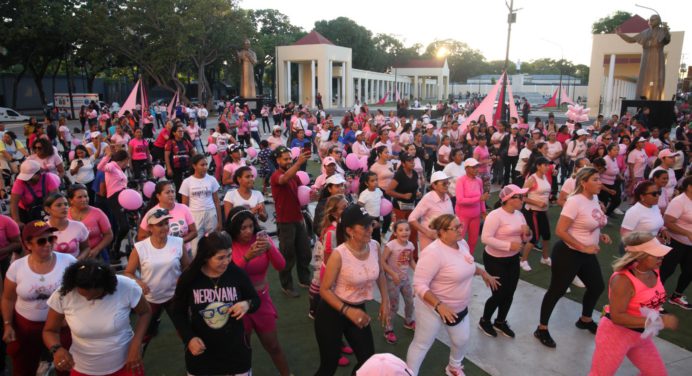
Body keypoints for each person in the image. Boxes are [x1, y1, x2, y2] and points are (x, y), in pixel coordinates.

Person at [406, 214, 499, 376]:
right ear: (441, 231)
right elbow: (419, 284)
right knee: (422, 343)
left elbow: (465, 265)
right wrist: (439, 306)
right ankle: (409, 373)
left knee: (461, 340)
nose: (460, 230)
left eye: (460, 226)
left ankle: (454, 367)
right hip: (432, 308)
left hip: (458, 308)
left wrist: (482, 272)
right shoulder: (433, 253)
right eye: (455, 228)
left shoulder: (462, 244)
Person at [536, 167, 611, 348]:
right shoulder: (574, 201)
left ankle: (585, 319)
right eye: (595, 179)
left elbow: (588, 222)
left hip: (586, 252)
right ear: (584, 183)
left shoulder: (594, 198)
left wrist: (599, 234)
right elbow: (560, 230)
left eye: (599, 179)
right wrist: (583, 247)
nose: (600, 182)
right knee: (557, 290)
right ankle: (542, 328)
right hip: (568, 253)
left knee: (597, 286)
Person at [170, 231, 260, 376]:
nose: (227, 261)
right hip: (202, 353)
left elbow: (256, 300)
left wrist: (247, 304)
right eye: (221, 258)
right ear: (206, 257)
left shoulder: (237, 274)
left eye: (229, 255)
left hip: (235, 352)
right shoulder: (190, 278)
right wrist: (189, 338)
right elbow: (178, 312)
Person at [314, 204, 389, 375]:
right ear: (349, 230)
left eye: (370, 224)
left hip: (357, 309)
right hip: (332, 313)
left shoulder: (375, 246)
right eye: (364, 226)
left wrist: (386, 300)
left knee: (368, 362)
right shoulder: (339, 254)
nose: (370, 229)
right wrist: (348, 311)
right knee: (329, 366)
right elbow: (324, 290)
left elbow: (380, 274)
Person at [588, 232, 678, 375]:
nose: (661, 258)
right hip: (615, 336)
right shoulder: (623, 281)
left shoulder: (654, 270)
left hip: (641, 335)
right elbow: (617, 317)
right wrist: (658, 321)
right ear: (640, 256)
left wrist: (655, 318)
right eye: (656, 255)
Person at [43, 259, 151, 375]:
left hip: (126, 364)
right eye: (83, 295)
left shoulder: (126, 286)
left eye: (97, 296)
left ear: (108, 287)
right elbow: (50, 331)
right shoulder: (63, 293)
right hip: (83, 368)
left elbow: (145, 312)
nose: (89, 299)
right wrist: (57, 349)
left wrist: (136, 342)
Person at [2, 220, 75, 376]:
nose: (48, 244)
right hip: (26, 327)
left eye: (51, 239)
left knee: (66, 365)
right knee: (23, 367)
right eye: (41, 241)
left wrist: (70, 318)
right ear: (28, 245)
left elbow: (80, 294)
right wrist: (8, 324)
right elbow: (8, 299)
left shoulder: (68, 262)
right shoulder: (17, 267)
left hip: (60, 326)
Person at [226, 207, 291, 376]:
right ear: (234, 229)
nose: (248, 231)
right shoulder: (228, 245)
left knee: (273, 345)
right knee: (243, 346)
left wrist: (270, 247)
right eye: (243, 228)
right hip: (238, 303)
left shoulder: (262, 239)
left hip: (261, 300)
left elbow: (281, 266)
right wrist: (247, 257)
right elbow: (229, 277)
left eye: (250, 226)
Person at [124, 208, 190, 352]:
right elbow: (128, 272)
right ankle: (138, 363)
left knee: (185, 331)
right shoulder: (140, 248)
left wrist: (182, 280)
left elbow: (187, 268)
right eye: (160, 224)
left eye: (166, 223)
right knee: (144, 335)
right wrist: (139, 282)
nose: (165, 227)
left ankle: (194, 363)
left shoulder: (178, 242)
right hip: (150, 299)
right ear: (150, 228)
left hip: (174, 296)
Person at [479, 185, 533, 338]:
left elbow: (526, 238)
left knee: (510, 292)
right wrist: (509, 245)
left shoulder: (519, 215)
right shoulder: (495, 216)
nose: (523, 200)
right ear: (509, 199)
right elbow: (485, 239)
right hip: (494, 259)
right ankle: (485, 320)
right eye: (520, 197)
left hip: (512, 259)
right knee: (499, 294)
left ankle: (500, 321)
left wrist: (527, 234)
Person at [270, 146, 312, 297]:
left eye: (289, 158)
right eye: (285, 159)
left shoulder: (294, 175)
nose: (288, 161)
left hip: (298, 218)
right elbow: (284, 179)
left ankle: (304, 279)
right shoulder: (276, 175)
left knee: (305, 252)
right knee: (287, 255)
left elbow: (303, 192)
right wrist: (298, 163)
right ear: (278, 160)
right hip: (285, 221)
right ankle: (286, 285)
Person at [139, 180, 197, 255]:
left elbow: (194, 232)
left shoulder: (184, 208)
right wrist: (157, 245)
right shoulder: (152, 213)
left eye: (173, 192)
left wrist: (179, 242)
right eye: (167, 192)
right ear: (158, 196)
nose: (171, 194)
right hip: (162, 254)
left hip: (184, 251)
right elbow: (141, 237)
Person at [382, 221, 416, 344]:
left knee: (410, 302)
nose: (404, 232)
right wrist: (392, 274)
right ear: (395, 233)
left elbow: (410, 260)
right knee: (394, 306)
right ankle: (388, 329)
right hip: (393, 282)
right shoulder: (391, 245)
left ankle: (408, 321)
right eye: (401, 230)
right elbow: (382, 262)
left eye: (407, 229)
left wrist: (418, 271)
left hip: (405, 280)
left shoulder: (411, 245)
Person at [179, 155, 222, 254]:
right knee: (196, 245)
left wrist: (219, 221)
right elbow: (184, 205)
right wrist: (186, 223)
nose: (205, 167)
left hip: (211, 213)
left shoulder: (212, 179)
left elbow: (216, 201)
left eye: (206, 164)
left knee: (214, 243)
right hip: (194, 215)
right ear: (194, 166)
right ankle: (197, 266)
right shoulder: (187, 182)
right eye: (202, 165)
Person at [661, 176, 692, 310]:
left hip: (690, 245)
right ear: (689, 187)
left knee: (690, 271)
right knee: (666, 270)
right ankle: (653, 297)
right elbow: (668, 222)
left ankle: (676, 296)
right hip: (676, 242)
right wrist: (687, 233)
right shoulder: (679, 201)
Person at [520, 157, 553, 270]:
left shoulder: (545, 177)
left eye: (548, 165)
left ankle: (545, 257)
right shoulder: (532, 179)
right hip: (532, 211)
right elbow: (521, 196)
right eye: (545, 165)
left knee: (547, 235)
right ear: (538, 166)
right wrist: (537, 203)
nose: (547, 167)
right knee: (534, 238)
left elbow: (545, 193)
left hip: (543, 211)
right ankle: (523, 260)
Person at [97, 149, 130, 261]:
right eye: (127, 161)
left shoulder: (120, 169)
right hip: (115, 198)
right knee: (124, 226)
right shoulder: (112, 165)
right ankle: (114, 247)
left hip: (123, 196)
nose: (128, 163)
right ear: (124, 159)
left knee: (126, 225)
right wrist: (107, 156)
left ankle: (116, 248)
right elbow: (100, 167)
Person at [408, 171, 454, 251]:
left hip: (444, 238)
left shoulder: (447, 197)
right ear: (434, 185)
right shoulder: (428, 198)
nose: (447, 185)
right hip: (429, 240)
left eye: (448, 183)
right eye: (444, 183)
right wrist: (427, 233)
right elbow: (411, 219)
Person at [386, 153, 420, 255]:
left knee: (413, 231)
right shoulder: (399, 175)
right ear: (403, 163)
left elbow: (414, 187)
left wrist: (417, 193)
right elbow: (388, 191)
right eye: (409, 161)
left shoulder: (414, 173)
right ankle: (388, 254)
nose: (412, 163)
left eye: (413, 161)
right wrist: (403, 196)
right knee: (398, 231)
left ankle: (414, 257)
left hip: (412, 206)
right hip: (399, 208)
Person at [10, 160, 61, 226]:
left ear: (39, 173)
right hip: (26, 211)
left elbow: (56, 198)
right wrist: (17, 221)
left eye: (30, 179)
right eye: (25, 178)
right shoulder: (19, 182)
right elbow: (14, 203)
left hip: (46, 208)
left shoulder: (48, 178)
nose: (28, 181)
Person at [455, 158, 489, 255]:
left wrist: (483, 211)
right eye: (473, 167)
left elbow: (482, 198)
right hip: (463, 216)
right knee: (458, 239)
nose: (476, 169)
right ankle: (456, 259)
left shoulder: (479, 180)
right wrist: (479, 198)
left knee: (473, 240)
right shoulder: (461, 181)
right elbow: (460, 200)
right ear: (467, 169)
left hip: (476, 216)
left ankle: (469, 258)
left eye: (477, 167)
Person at [44, 192, 89, 259]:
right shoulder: (43, 230)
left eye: (66, 204)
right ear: (47, 209)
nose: (64, 207)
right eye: (59, 205)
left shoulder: (79, 226)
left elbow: (86, 248)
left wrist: (77, 261)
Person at [165, 123, 196, 194]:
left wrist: (196, 163)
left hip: (187, 166)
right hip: (176, 168)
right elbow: (166, 156)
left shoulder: (186, 141)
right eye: (179, 131)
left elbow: (193, 152)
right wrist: (169, 168)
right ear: (174, 133)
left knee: (190, 185)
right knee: (179, 186)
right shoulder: (170, 142)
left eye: (182, 131)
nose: (181, 133)